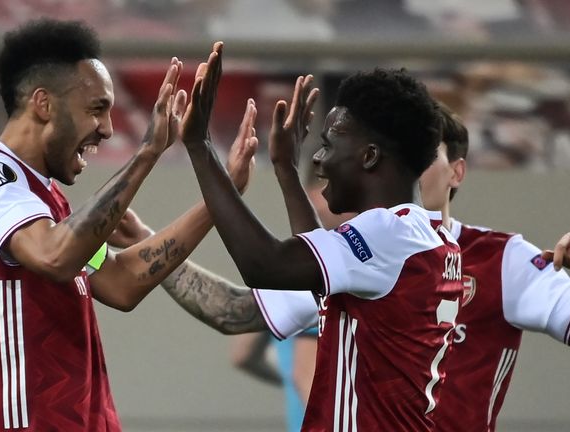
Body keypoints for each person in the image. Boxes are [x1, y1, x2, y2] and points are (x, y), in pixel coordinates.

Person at [0, 20, 257, 431]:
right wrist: (147, 152)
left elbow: (119, 283)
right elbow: (53, 256)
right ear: (44, 104)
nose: (107, 129)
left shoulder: (50, 206)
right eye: (96, 109)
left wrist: (221, 197)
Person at [180, 42, 464, 430]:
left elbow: (265, 265)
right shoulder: (427, 236)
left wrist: (200, 145)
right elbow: (316, 260)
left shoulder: (386, 235)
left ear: (369, 157)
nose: (318, 157)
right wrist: (284, 170)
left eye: (330, 145)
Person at [421, 103, 570, 431]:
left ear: (456, 172)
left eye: (422, 153)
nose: (407, 167)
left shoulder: (502, 259)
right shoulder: (354, 254)